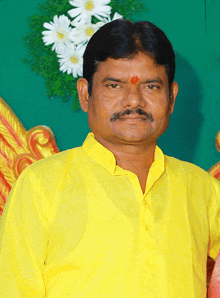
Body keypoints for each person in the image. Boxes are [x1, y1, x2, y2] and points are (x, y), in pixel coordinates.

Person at [0, 19, 220, 298]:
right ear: (85, 94)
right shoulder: (41, 185)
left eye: (151, 87)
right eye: (114, 86)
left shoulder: (202, 190)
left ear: (172, 97)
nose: (133, 101)